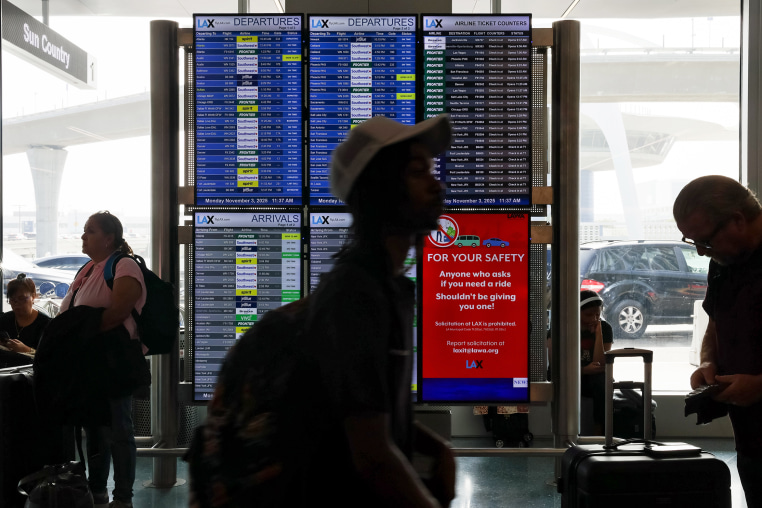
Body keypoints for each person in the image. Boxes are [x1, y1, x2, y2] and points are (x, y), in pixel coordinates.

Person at [303, 114, 456, 507]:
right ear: (382, 189)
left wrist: (436, 446)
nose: (436, 184)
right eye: (417, 172)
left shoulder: (389, 287)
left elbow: (371, 410)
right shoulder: (354, 295)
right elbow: (371, 456)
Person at [673, 175, 762, 508]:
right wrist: (708, 361)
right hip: (751, 435)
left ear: (738, 220)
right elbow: (716, 321)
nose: (700, 251)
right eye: (691, 241)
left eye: (706, 240)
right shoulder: (724, 262)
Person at [59, 211, 146, 508]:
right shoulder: (87, 270)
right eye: (84, 231)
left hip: (113, 363)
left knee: (119, 430)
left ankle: (122, 498)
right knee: (95, 429)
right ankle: (97, 492)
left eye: (90, 231)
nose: (83, 236)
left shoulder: (124, 266)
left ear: (109, 238)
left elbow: (120, 310)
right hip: (90, 365)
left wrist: (82, 333)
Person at [546, 290, 613, 435]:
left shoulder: (604, 328)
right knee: (560, 378)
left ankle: (600, 430)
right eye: (588, 315)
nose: (594, 319)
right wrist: (583, 370)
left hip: (591, 377)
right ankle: (563, 431)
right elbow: (555, 365)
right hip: (568, 375)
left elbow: (601, 364)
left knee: (603, 381)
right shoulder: (561, 329)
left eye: (597, 314)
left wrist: (598, 334)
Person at [0, 273, 51, 359]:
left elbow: (50, 356)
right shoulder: (4, 319)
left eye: (22, 299)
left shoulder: (46, 324)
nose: (16, 304)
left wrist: (26, 350)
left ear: (33, 296)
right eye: (12, 299)